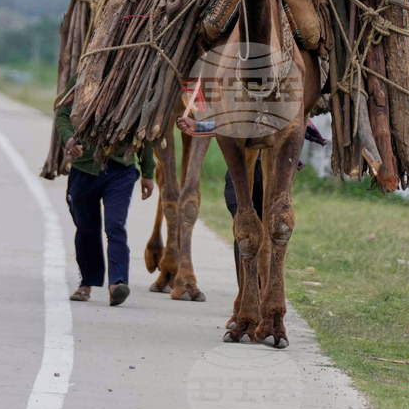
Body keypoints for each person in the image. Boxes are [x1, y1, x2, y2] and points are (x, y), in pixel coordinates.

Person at [175, 116, 325, 279]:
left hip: (268, 180)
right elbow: (232, 123)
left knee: (263, 232)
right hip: (239, 178)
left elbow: (292, 129)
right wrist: (199, 126)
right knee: (245, 232)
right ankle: (247, 293)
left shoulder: (284, 113)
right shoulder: (246, 108)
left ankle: (258, 290)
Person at [56, 74, 155, 306]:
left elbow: (145, 127)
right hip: (84, 169)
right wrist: (70, 140)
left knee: (115, 225)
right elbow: (62, 114)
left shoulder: (138, 79)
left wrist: (148, 172)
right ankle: (86, 283)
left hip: (121, 168)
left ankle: (117, 283)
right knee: (86, 227)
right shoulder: (84, 76)